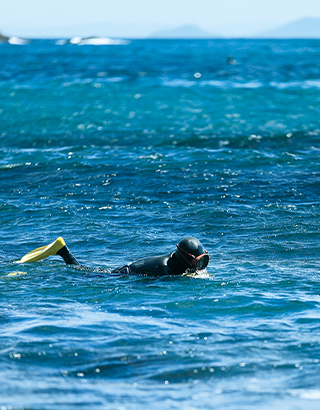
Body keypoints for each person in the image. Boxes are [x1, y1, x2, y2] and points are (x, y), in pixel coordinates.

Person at [17, 236, 209, 276]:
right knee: (83, 275)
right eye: (199, 262)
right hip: (117, 277)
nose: (201, 266)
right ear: (187, 257)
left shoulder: (176, 260)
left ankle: (61, 250)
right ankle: (61, 250)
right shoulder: (164, 269)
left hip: (126, 271)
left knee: (84, 272)